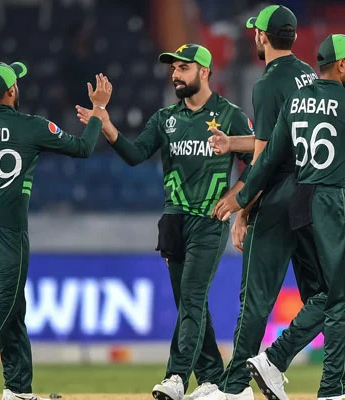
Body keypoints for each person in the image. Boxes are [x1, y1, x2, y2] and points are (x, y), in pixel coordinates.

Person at [213, 33, 345, 400]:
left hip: (302, 200)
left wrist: (242, 198)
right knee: (342, 296)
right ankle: (321, 384)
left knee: (328, 293)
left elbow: (271, 157)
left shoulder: (295, 102)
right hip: (334, 200)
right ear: (340, 65)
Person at [76, 44, 253, 400]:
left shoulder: (230, 116)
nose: (175, 74)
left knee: (191, 297)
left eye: (183, 68)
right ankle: (214, 381)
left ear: (204, 72)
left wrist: (238, 201)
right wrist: (107, 124)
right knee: (191, 302)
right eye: (173, 69)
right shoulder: (164, 119)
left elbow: (258, 163)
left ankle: (175, 377)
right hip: (173, 220)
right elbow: (135, 155)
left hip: (208, 219)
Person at [0, 61, 110, 400]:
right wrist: (99, 110)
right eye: (16, 82)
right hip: (7, 228)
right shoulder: (30, 126)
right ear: (10, 91)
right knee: (5, 305)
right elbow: (83, 148)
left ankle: (18, 390)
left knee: (11, 309)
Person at [199, 5, 328, 400]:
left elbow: (265, 156)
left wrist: (243, 208)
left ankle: (236, 386)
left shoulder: (268, 83)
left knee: (254, 299)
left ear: (261, 37)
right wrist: (235, 142)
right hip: (313, 194)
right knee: (325, 293)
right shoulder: (310, 75)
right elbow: (279, 141)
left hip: (276, 198)